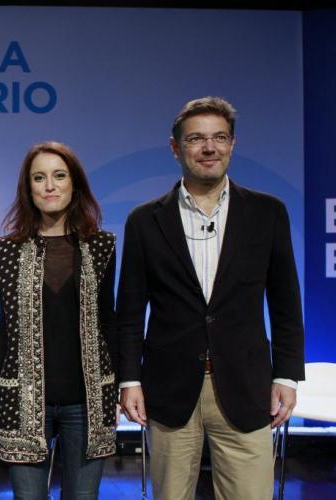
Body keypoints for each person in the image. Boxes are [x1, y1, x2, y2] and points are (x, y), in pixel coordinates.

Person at [117, 96, 305, 500]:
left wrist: (286, 376)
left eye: (219, 137)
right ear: (175, 147)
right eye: (196, 139)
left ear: (232, 144)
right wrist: (130, 379)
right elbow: (129, 314)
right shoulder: (144, 221)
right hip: (168, 388)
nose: (209, 148)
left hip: (247, 385)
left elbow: (287, 306)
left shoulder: (268, 213)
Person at [0, 142, 117, 500]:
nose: (49, 186)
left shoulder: (101, 246)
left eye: (59, 176)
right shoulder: (6, 250)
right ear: (28, 188)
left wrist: (122, 386)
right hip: (24, 399)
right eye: (39, 178)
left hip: (88, 401)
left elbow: (108, 321)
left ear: (74, 184)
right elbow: (6, 325)